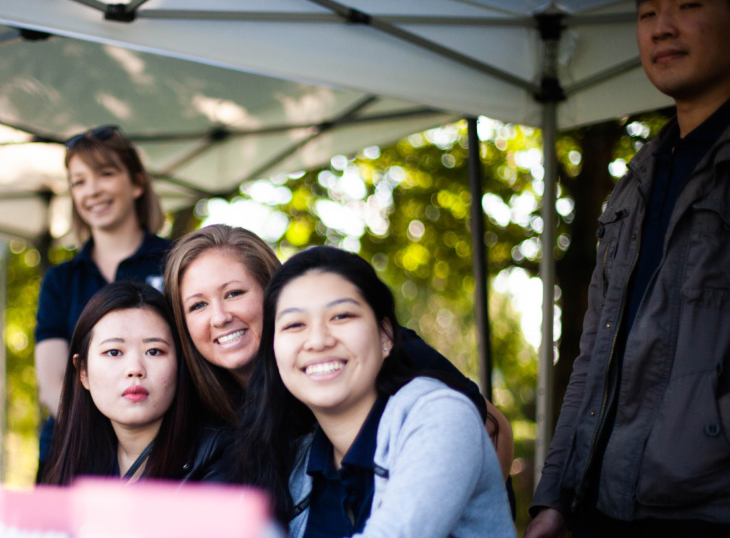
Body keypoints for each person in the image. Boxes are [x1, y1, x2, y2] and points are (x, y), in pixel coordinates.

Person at [520, 0, 730, 538]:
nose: (661, 27)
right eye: (646, 12)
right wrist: (555, 494)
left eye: (688, 4)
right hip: (606, 516)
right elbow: (592, 357)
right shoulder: (639, 174)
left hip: (711, 521)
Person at [239, 247, 535, 538]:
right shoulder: (296, 466)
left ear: (385, 336)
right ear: (275, 352)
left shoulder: (439, 416)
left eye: (342, 316)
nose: (317, 340)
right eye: (294, 325)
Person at [164, 224, 515, 483]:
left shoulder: (370, 348)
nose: (220, 317)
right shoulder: (198, 411)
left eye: (234, 293)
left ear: (274, 293)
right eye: (197, 305)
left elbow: (493, 427)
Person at [34, 126, 168, 482]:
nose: (91, 190)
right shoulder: (60, 280)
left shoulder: (176, 262)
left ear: (137, 183)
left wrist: (135, 439)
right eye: (78, 181)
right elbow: (51, 378)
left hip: (163, 449)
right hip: (71, 448)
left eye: (105, 174)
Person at [41, 281, 220, 485]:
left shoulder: (218, 456)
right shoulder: (71, 466)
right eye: (114, 352)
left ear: (180, 364)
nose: (135, 368)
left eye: (154, 351)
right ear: (83, 371)